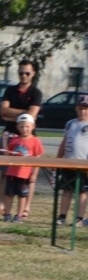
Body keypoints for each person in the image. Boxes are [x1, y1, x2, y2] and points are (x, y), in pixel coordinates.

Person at [0, 60, 42, 218]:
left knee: (29, 174)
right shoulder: (10, 90)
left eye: (27, 72)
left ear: (33, 73)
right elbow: (2, 112)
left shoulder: (35, 93)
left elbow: (31, 117)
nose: (24, 75)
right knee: (5, 172)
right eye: (21, 72)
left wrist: (14, 115)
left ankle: (25, 208)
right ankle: (2, 206)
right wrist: (23, 114)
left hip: (27, 138)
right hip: (9, 136)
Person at [1, 114, 44, 223]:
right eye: (21, 127)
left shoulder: (35, 141)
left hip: (24, 174)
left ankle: (18, 216)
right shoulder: (15, 140)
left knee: (22, 195)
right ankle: (7, 214)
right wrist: (5, 141)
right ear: (17, 127)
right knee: (9, 194)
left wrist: (34, 174)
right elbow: (8, 155)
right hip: (12, 173)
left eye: (27, 126)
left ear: (33, 126)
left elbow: (38, 158)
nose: (24, 129)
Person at [55, 94, 88, 227]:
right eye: (80, 108)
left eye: (86, 108)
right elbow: (64, 143)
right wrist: (57, 160)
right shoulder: (70, 124)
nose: (83, 111)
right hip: (68, 163)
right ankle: (62, 216)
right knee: (67, 190)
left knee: (83, 192)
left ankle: (79, 218)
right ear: (76, 108)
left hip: (84, 165)